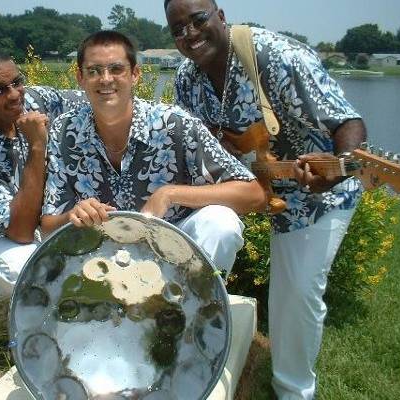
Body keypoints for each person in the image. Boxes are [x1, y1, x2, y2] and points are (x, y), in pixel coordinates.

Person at [164, 1, 368, 399]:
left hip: (317, 194)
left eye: (198, 19)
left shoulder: (277, 57)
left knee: (296, 292)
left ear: (221, 17)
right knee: (195, 241)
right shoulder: (188, 77)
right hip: (252, 187)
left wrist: (338, 166)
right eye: (177, 28)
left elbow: (347, 121)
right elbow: (194, 140)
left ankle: (293, 391)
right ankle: (180, 351)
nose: (189, 33)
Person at [40, 30, 266, 276]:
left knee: (220, 222)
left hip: (173, 251)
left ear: (135, 74)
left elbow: (254, 193)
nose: (105, 79)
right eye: (94, 71)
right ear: (80, 78)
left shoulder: (174, 124)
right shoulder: (65, 131)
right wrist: (74, 215)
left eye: (116, 69)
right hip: (99, 255)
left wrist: (170, 193)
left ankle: (197, 303)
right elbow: (48, 227)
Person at [0, 47, 86, 299]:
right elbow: (21, 232)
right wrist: (37, 145)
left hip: (54, 217)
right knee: (24, 271)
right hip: (1, 233)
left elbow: (97, 100)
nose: (15, 95)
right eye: (0, 90)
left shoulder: (37, 99)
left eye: (17, 82)